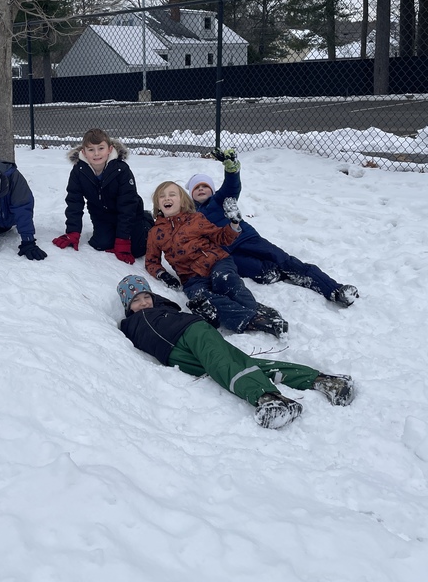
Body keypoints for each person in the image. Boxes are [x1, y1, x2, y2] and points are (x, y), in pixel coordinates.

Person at [116, 275, 355, 429]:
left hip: (192, 333)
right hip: (177, 355)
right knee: (247, 366)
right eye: (136, 300)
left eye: (146, 296)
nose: (144, 302)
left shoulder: (161, 312)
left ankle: (268, 399)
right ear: (127, 305)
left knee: (224, 366)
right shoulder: (129, 324)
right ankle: (326, 381)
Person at [187, 148, 358, 307]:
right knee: (252, 268)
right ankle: (276, 273)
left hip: (246, 238)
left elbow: (232, 186)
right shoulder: (191, 217)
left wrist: (232, 171)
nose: (201, 189)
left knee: (282, 258)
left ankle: (334, 289)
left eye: (205, 186)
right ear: (191, 195)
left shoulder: (219, 200)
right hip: (228, 252)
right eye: (197, 188)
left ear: (212, 190)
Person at [145, 180, 289, 337]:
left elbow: (221, 237)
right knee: (203, 300)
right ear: (157, 204)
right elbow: (151, 261)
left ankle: (252, 307)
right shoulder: (155, 233)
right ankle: (254, 318)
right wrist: (162, 274)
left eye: (172, 195)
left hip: (217, 262)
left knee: (224, 280)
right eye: (162, 196)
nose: (167, 198)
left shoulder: (196, 219)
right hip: (191, 277)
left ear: (182, 200)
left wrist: (234, 224)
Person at [51, 128, 154, 264]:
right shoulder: (79, 171)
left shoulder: (121, 169)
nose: (96, 153)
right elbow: (74, 202)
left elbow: (128, 204)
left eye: (101, 148)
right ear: (83, 152)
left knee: (137, 250)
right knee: (100, 244)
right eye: (91, 149)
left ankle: (146, 221)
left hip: (130, 214)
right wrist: (73, 232)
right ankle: (113, 232)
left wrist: (123, 239)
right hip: (102, 216)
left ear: (110, 149)